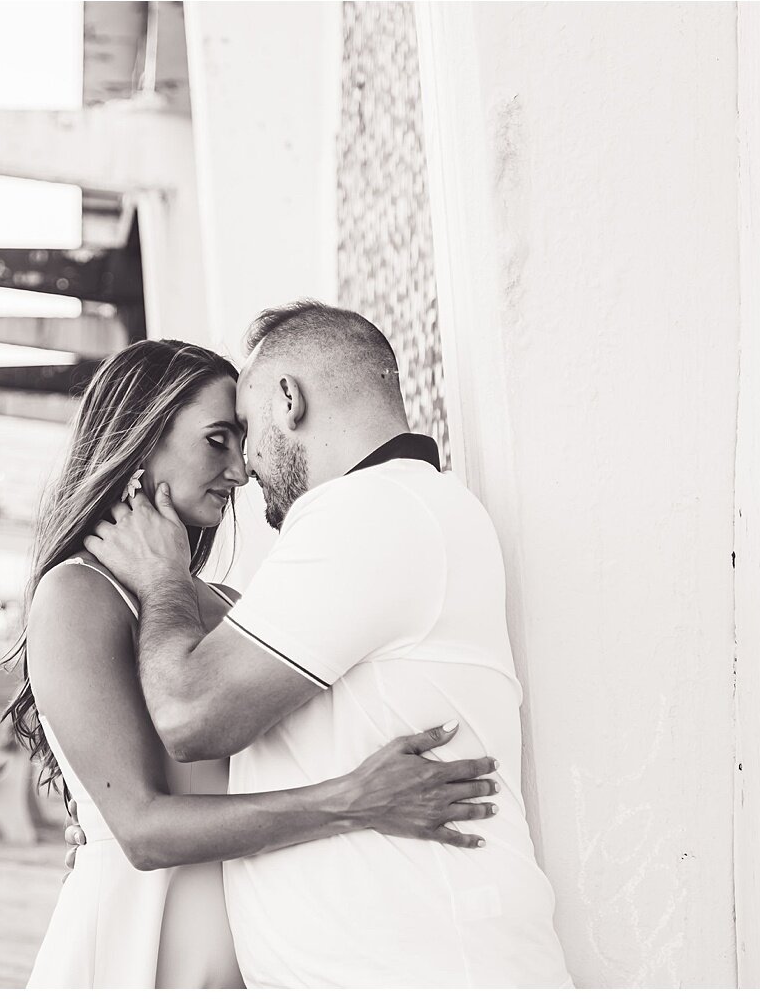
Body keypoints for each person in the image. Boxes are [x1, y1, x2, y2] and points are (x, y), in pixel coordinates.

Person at [83, 303, 571, 987]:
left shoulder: (370, 513)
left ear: (289, 399)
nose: (246, 470)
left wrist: (163, 578)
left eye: (245, 431)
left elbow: (193, 716)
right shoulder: (391, 511)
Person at [2, 339, 498, 989]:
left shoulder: (224, 601)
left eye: (241, 440)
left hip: (243, 940)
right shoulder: (78, 596)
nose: (240, 471)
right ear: (140, 440)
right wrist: (353, 801)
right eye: (216, 440)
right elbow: (143, 830)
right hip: (140, 941)